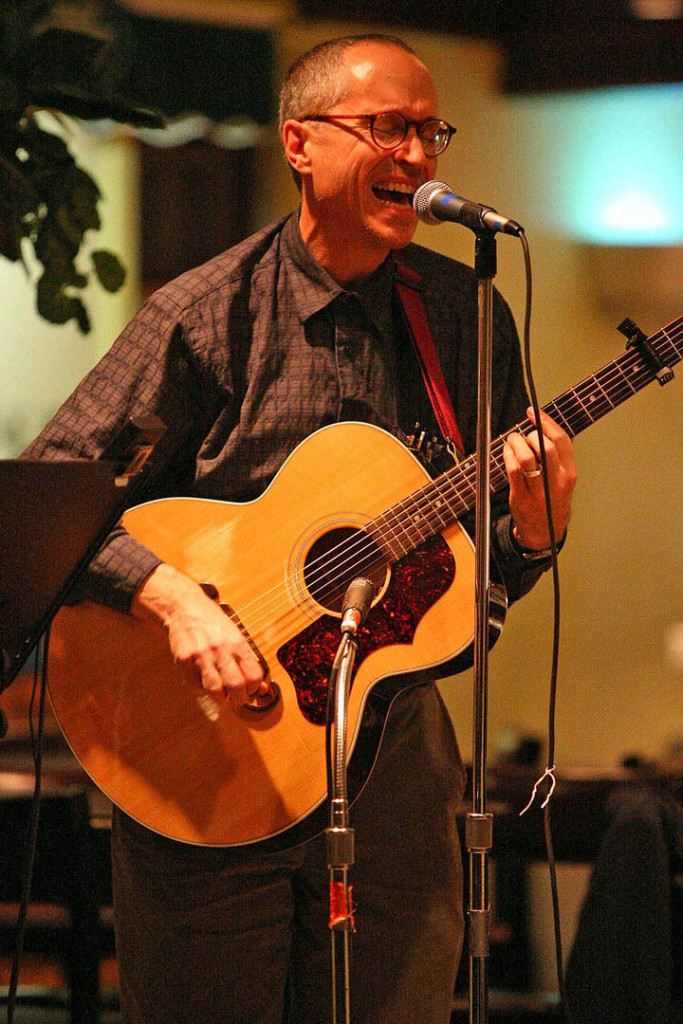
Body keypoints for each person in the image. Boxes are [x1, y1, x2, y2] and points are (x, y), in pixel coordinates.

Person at [22, 33, 577, 1024]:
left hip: (394, 758)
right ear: (298, 144)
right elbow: (51, 508)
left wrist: (531, 535)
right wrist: (174, 598)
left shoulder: (465, 315)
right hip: (204, 743)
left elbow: (466, 578)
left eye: (427, 131)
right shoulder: (203, 314)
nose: (415, 156)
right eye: (385, 129)